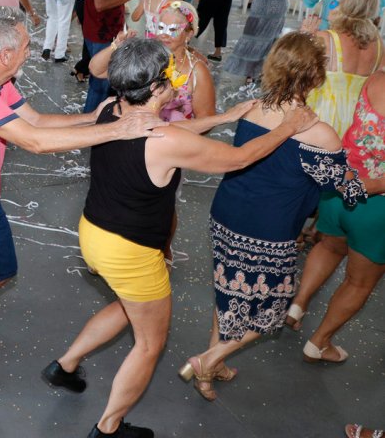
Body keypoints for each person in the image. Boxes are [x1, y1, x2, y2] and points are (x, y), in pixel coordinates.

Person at [43, 36, 317, 437]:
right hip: (131, 251)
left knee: (126, 305)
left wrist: (223, 117)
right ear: (155, 89)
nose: (177, 80)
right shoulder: (166, 142)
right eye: (170, 76)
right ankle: (109, 427)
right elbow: (240, 158)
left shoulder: (111, 110)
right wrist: (289, 127)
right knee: (150, 343)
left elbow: (174, 129)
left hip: (94, 232)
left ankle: (64, 366)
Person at [0, 6, 168, 398]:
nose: (29, 52)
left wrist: (95, 117)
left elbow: (34, 121)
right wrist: (117, 130)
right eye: (25, 46)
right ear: (5, 54)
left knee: (1, 271)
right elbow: (34, 142)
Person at [179, 32, 364, 402]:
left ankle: (209, 374)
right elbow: (345, 188)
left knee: (227, 292)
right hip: (269, 229)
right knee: (274, 314)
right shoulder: (320, 134)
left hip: (227, 214)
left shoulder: (252, 108)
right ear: (315, 77)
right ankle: (208, 359)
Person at [285, 66, 385, 366]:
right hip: (376, 206)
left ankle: (298, 304)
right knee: (358, 282)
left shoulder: (377, 76)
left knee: (328, 246)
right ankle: (320, 342)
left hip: (338, 189)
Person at [304, 0, 384, 137]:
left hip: (324, 113)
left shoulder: (326, 38)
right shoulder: (379, 43)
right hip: (359, 116)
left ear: (349, 9)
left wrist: (305, 38)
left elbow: (300, 74)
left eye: (334, 2)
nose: (329, 6)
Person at [83, 0, 150, 112]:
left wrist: (123, 26)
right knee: (100, 84)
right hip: (99, 32)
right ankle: (89, 126)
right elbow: (100, 4)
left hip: (113, 30)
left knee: (111, 82)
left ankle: (101, 121)